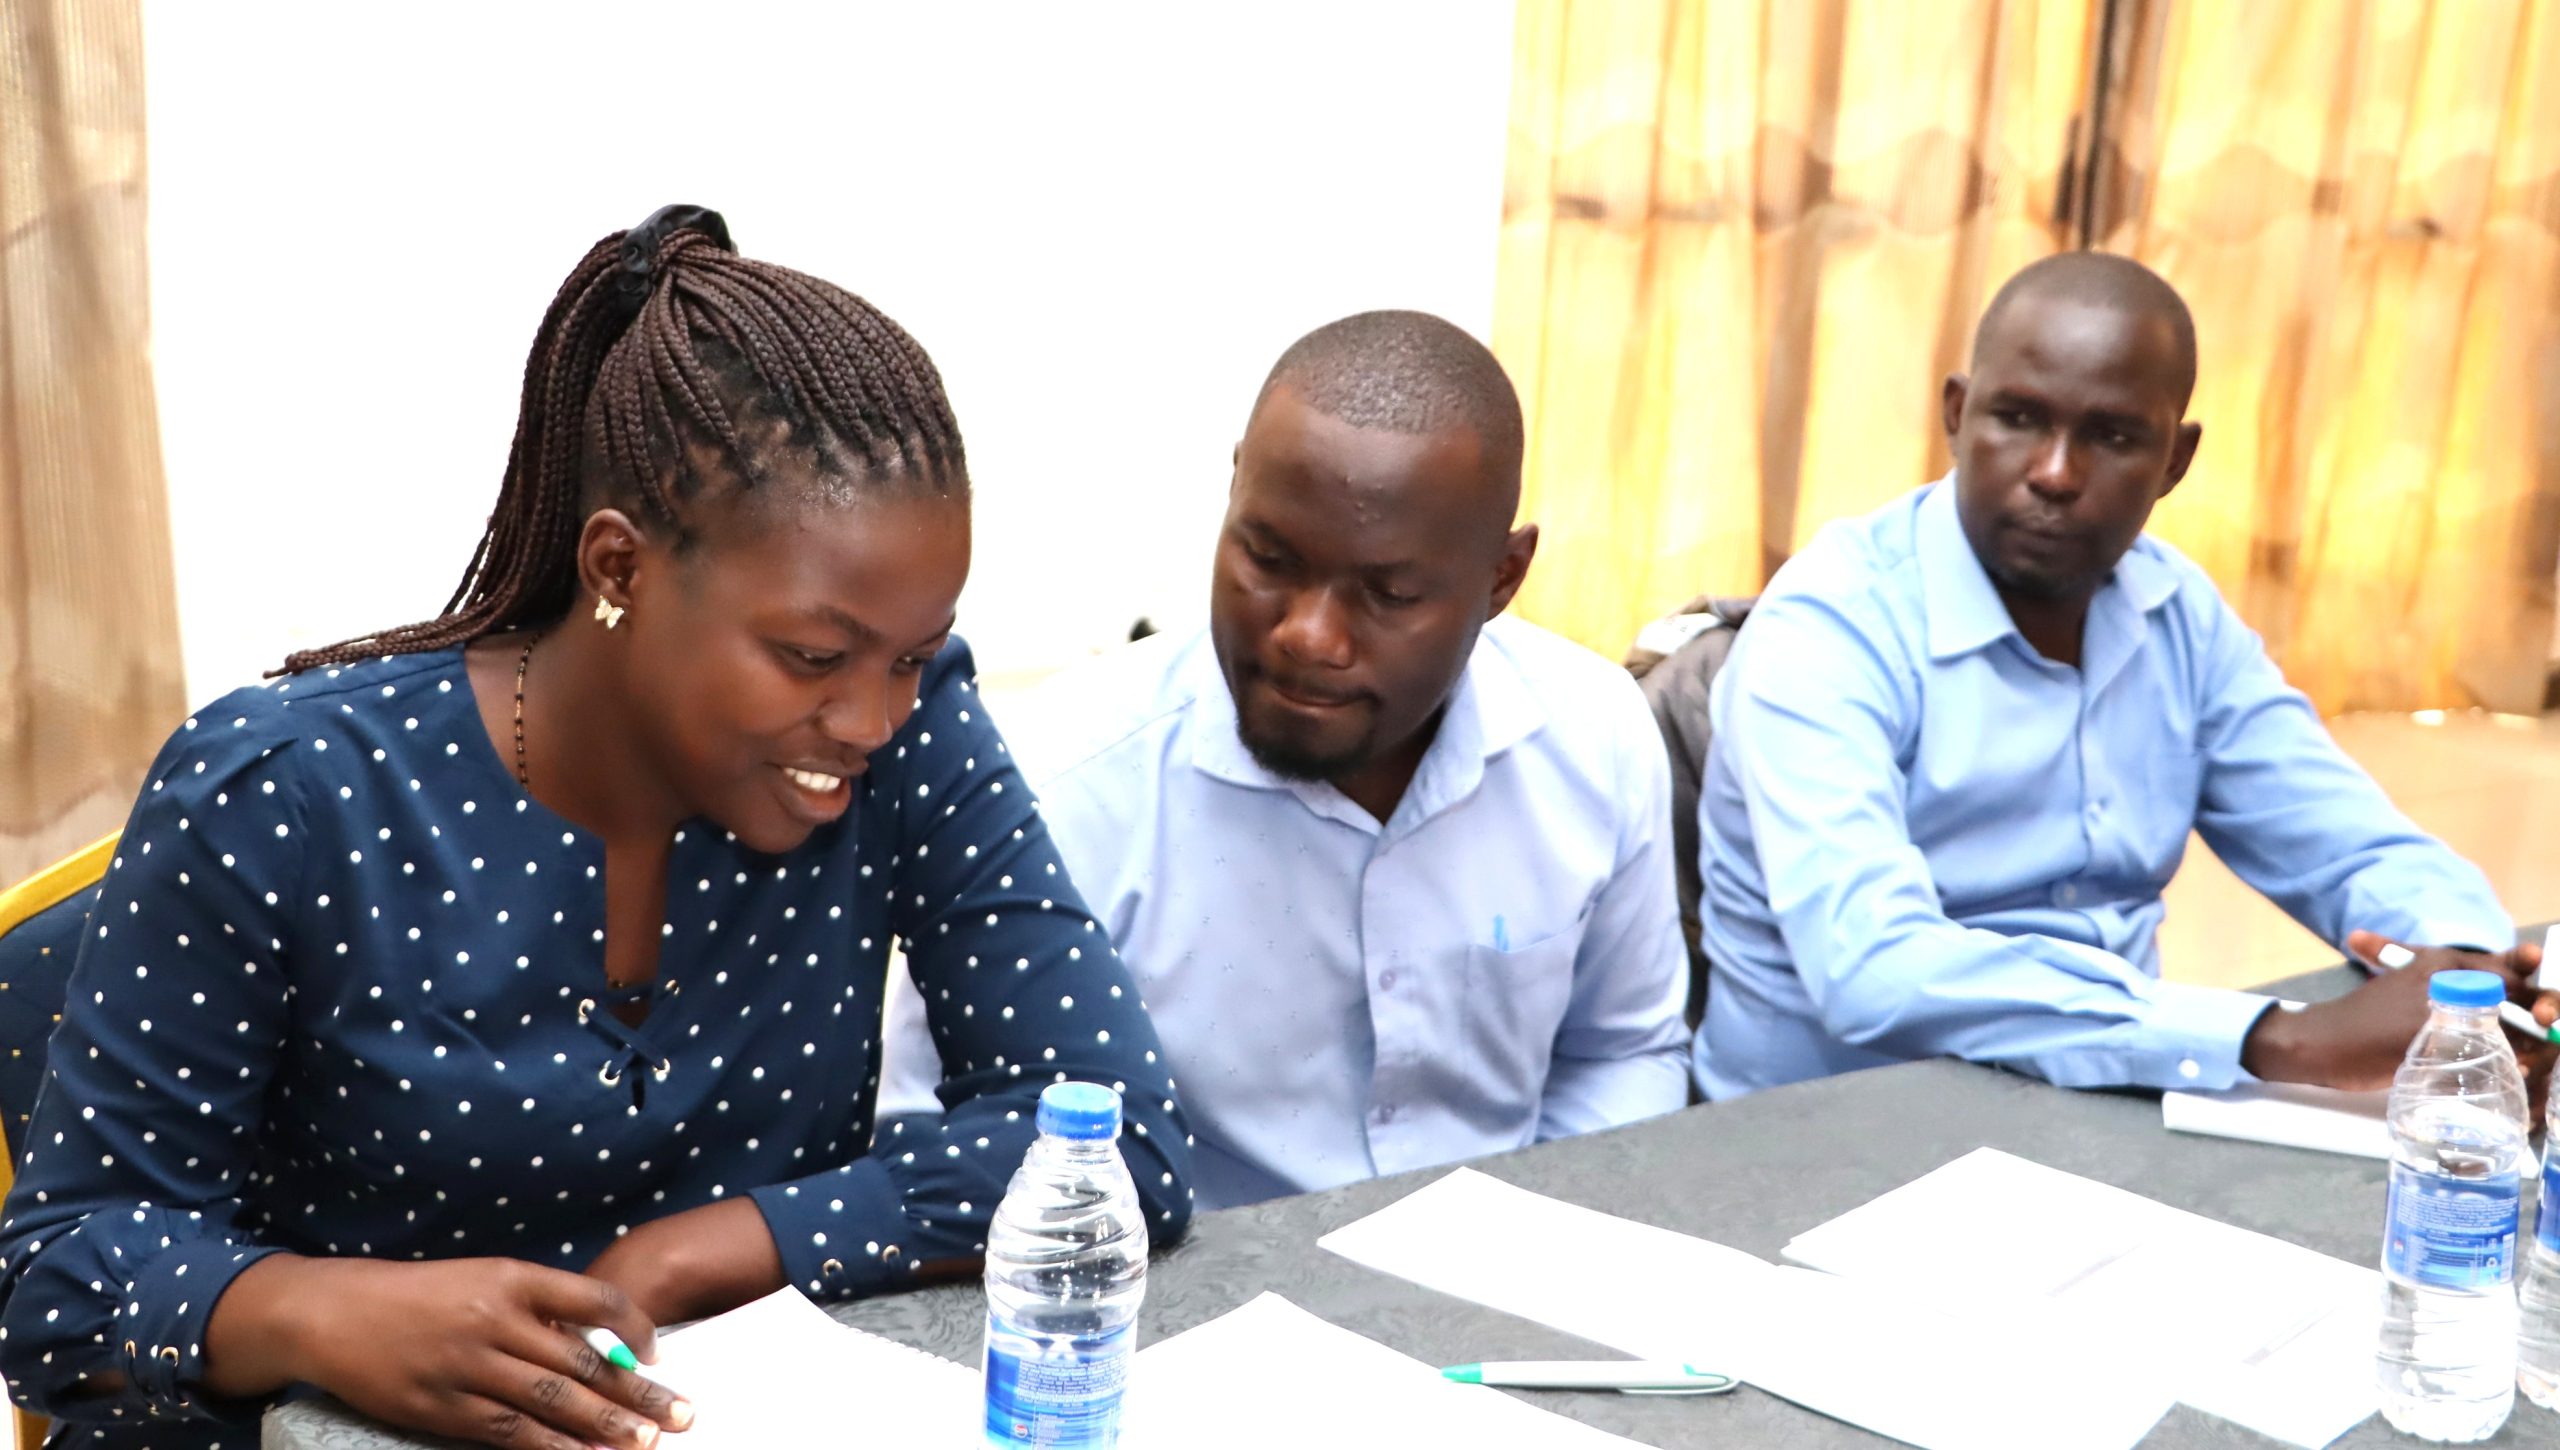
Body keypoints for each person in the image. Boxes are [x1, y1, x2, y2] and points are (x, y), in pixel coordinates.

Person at [0, 207, 1192, 1450]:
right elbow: (56, 1273)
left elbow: (1113, 1137)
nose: (870, 714)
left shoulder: (903, 730)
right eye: (813, 655)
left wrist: (695, 1255)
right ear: (618, 570)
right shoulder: (284, 792)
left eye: (911, 654)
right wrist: (317, 1311)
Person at [1693, 252, 2555, 1101]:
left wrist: (2471, 976)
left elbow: (2344, 839)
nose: (2054, 473)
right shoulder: (1830, 626)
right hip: (1834, 1129)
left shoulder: (2176, 612)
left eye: (2110, 437)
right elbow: (1874, 966)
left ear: (2174, 462)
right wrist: (2276, 1038)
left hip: (2103, 1099)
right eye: (2018, 418)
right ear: (1956, 416)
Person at [878, 310, 1690, 1209]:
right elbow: (940, 1132)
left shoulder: (1595, 735)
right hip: (1188, 1299)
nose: (1308, 636)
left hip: (1498, 1293)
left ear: (1502, 577)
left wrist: (1542, 1244)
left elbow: (1621, 1051)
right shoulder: (1062, 785)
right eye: (1268, 557)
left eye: (1387, 593)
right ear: (1234, 492)